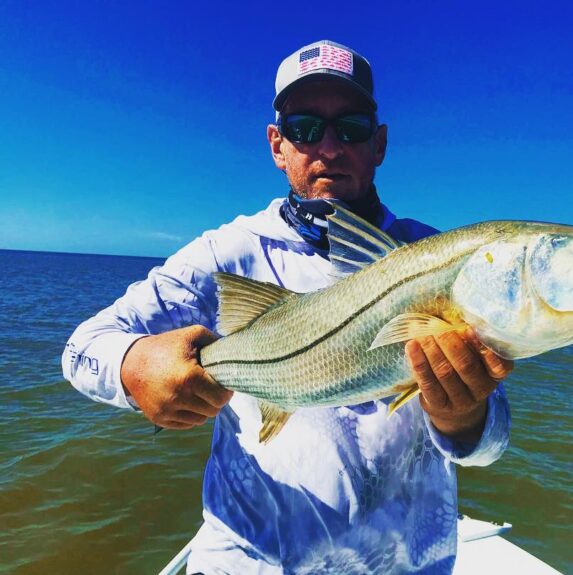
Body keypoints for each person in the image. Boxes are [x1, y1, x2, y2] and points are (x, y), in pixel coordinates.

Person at [63, 40, 513, 574]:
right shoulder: (227, 253)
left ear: (379, 143)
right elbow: (81, 349)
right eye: (304, 128)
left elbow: (488, 449)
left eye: (350, 127)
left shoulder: (437, 260)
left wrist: (465, 418)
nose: (329, 146)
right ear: (277, 145)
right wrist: (133, 366)